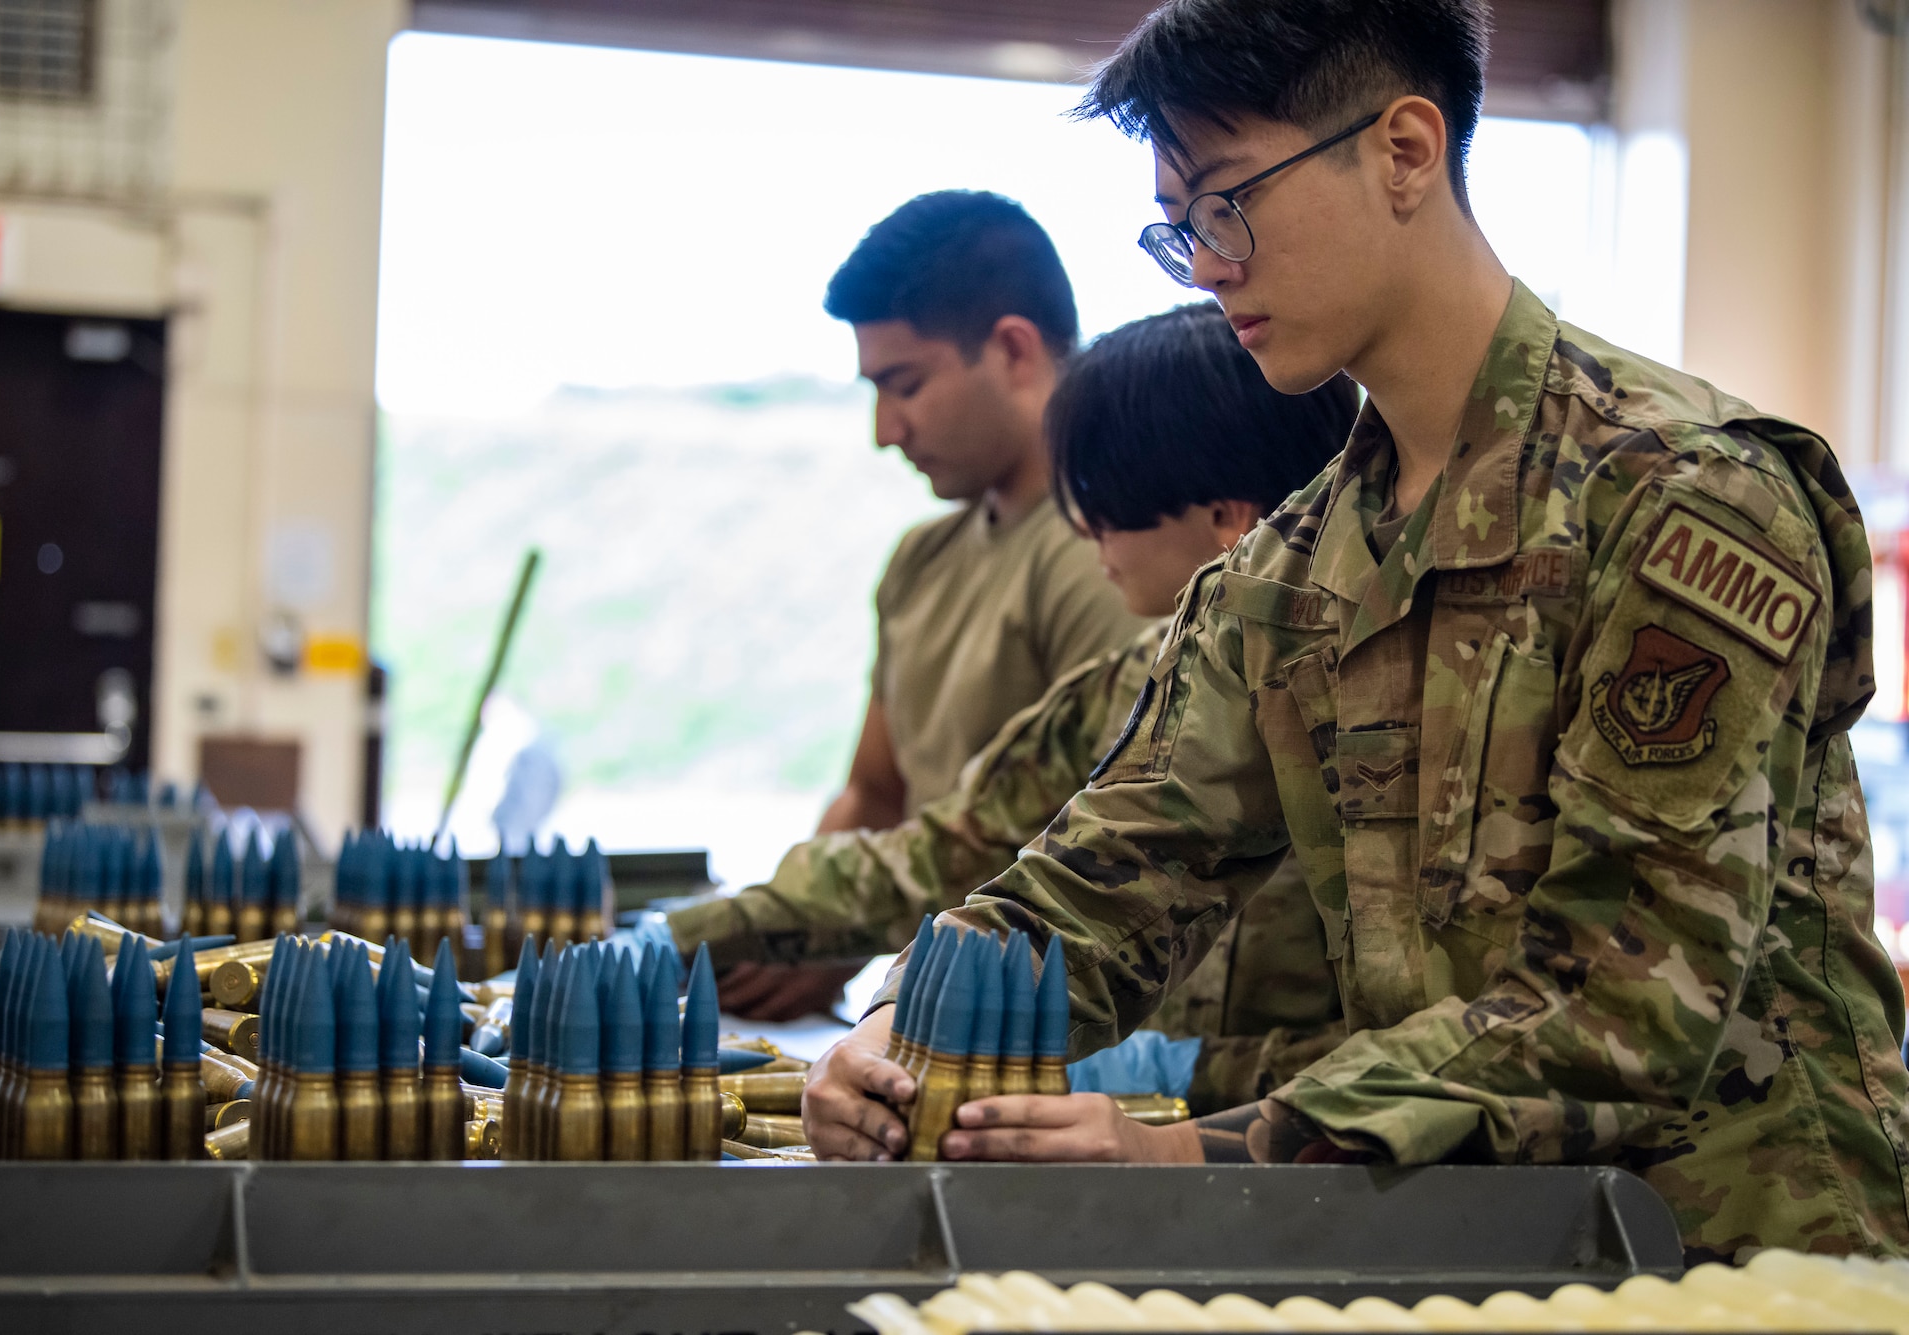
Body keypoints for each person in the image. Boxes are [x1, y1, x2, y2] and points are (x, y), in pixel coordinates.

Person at [801, 0, 1909, 1264]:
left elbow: (1624, 1007)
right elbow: (1112, 871)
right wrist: (901, 1028)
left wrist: (1194, 1150)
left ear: (1401, 150)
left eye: (1226, 203)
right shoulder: (1294, 566)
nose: (1206, 262)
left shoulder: (1678, 497)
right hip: (1466, 1250)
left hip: (1743, 1256)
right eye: (1177, 230)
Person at [672, 304, 1357, 1106]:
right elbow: (952, 855)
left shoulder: (1360, 699)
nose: (1091, 546)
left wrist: (1189, 1074)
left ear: (1227, 521)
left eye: (1105, 514)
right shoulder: (1133, 684)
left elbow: (1430, 1043)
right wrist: (684, 936)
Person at [723, 191, 1153, 1018]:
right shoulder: (920, 562)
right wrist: (790, 931)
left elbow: (1112, 853)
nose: (886, 429)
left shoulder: (1109, 561)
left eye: (905, 384)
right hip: (920, 1003)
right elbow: (875, 796)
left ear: (1014, 350)